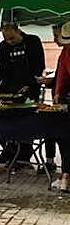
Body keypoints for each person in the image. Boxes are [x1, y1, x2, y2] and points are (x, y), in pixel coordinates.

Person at [0, 22, 46, 166]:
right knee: (4, 119)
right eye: (7, 39)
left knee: (25, 122)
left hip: (30, 89)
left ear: (19, 32)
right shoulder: (3, 47)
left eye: (12, 38)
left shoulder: (33, 42)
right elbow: (2, 71)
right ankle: (10, 149)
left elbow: (39, 66)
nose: (9, 42)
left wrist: (29, 84)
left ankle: (24, 154)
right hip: (9, 91)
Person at [50, 21, 70, 191]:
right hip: (67, 101)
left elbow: (62, 77)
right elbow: (62, 76)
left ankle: (65, 175)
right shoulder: (66, 52)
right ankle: (66, 176)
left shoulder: (66, 52)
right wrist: (57, 94)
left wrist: (58, 94)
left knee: (65, 138)